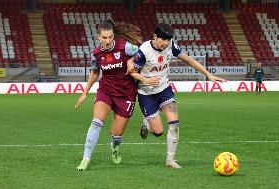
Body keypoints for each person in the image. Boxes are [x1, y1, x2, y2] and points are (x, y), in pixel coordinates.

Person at [127, 23, 226, 168]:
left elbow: (190, 60)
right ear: (155, 37)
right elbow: (133, 72)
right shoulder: (144, 51)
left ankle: (170, 160)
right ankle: (146, 122)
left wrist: (208, 74)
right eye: (163, 40)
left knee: (174, 124)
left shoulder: (170, 46)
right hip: (146, 93)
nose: (166, 43)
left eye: (168, 40)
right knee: (159, 132)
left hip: (164, 89)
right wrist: (147, 80)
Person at [75, 19, 142, 171]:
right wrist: (85, 92)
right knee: (96, 122)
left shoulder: (125, 47)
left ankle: (115, 146)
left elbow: (143, 54)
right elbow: (94, 73)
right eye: (104, 38)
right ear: (98, 37)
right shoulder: (96, 54)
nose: (108, 40)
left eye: (110, 37)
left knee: (116, 135)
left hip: (126, 94)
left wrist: (132, 61)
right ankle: (85, 158)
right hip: (106, 91)